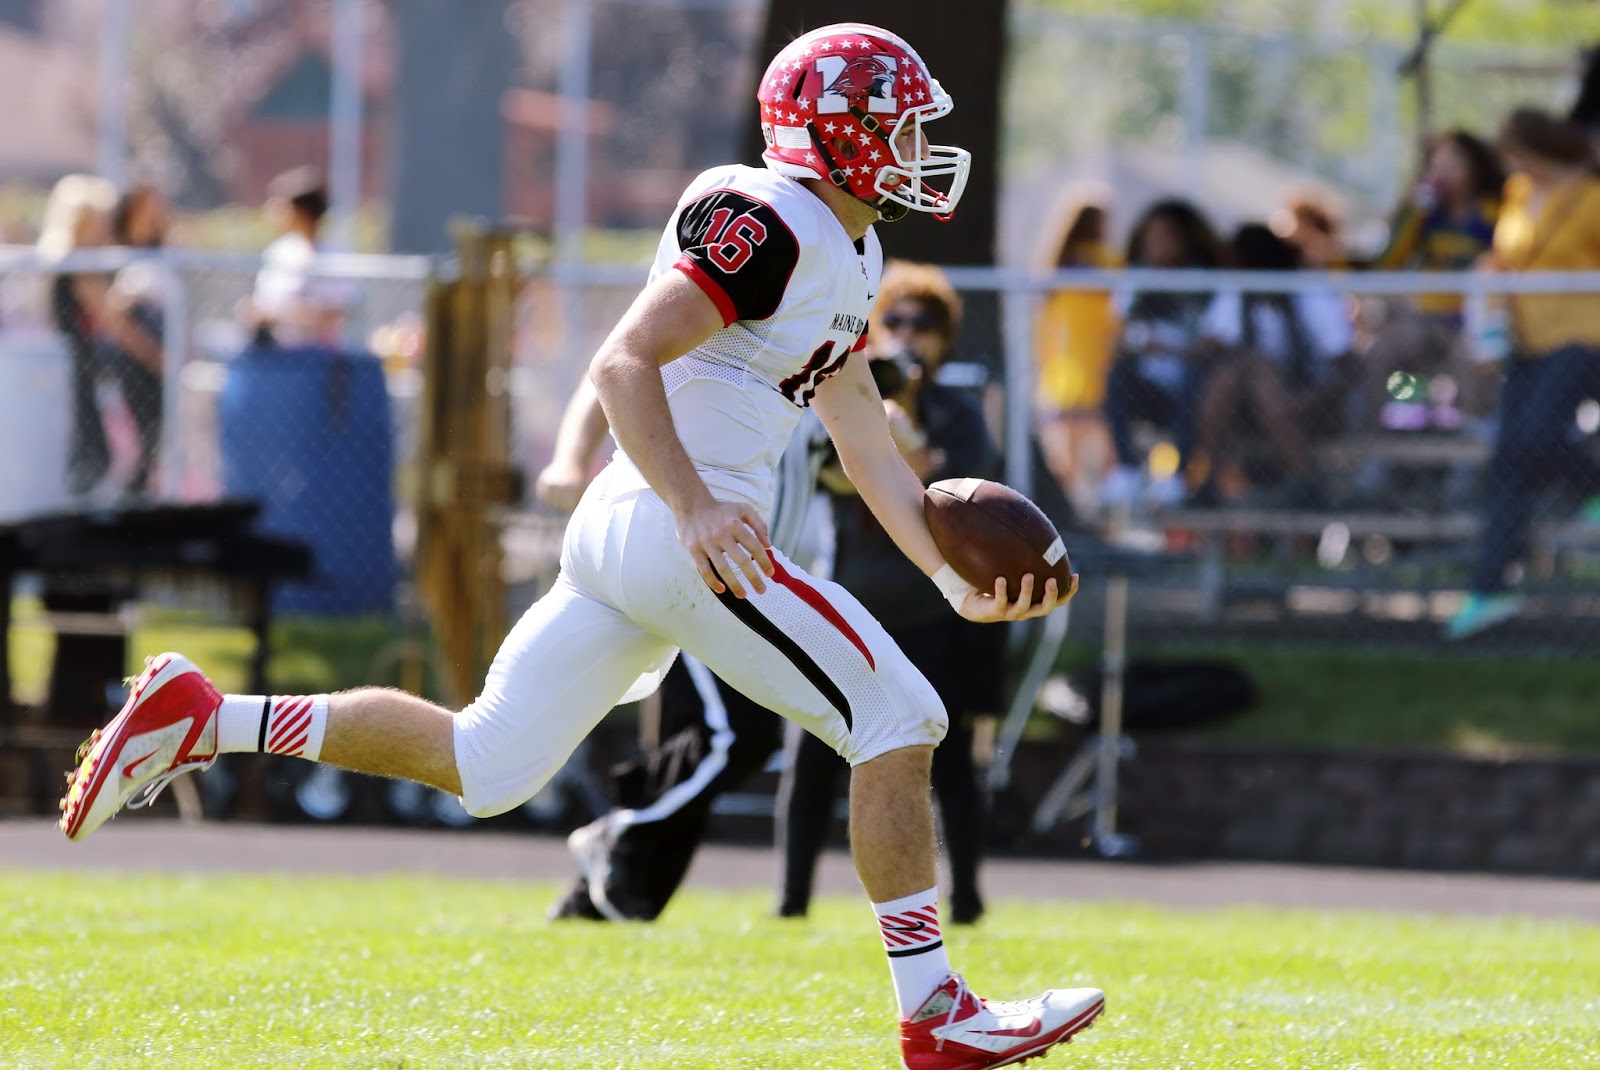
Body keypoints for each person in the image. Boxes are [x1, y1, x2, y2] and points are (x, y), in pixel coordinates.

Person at [58, 23, 1104, 1068]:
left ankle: (208, 714)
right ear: (836, 132)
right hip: (676, 522)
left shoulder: (850, 245)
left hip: (634, 527)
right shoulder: (772, 219)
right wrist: (695, 505)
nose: (917, 149)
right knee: (902, 712)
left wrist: (946, 575)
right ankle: (935, 1009)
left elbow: (860, 427)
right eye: (898, 127)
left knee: (485, 760)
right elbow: (621, 360)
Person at [536, 376, 831, 923]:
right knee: (737, 737)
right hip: (696, 568)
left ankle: (603, 903)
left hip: (757, 582)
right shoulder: (730, 326)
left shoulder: (822, 359)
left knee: (691, 744)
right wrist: (570, 457)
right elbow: (614, 366)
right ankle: (616, 834)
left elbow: (837, 468)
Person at [777, 261, 1003, 927]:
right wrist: (876, 437)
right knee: (815, 753)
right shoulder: (846, 402)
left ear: (946, 339)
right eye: (895, 321)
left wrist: (907, 444)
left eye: (922, 325)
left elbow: (959, 495)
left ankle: (967, 901)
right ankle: (790, 903)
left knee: (951, 758)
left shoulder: (961, 417)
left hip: (935, 611)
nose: (907, 336)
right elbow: (834, 477)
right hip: (853, 603)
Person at [1446, 108, 1600, 641]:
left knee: (1536, 434)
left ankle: (1594, 487)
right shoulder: (1516, 193)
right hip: (1526, 339)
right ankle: (1489, 589)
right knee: (1508, 456)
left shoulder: (1591, 197)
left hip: (1583, 336)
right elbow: (1505, 256)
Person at [1192, 223, 1357, 507]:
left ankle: (1306, 478)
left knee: (1254, 369)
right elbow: (1209, 345)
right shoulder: (1238, 293)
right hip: (1252, 408)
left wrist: (1308, 400)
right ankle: (1208, 474)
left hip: (1313, 402)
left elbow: (1348, 366)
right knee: (1241, 369)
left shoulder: (1309, 292)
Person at [1362, 129, 1506, 432]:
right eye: (1437, 165)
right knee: (1382, 355)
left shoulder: (1494, 213)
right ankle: (1382, 438)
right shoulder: (1424, 214)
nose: (1443, 173)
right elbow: (1388, 262)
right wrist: (1415, 209)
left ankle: (1469, 446)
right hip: (1424, 317)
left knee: (1473, 361)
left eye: (1453, 164)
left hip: (1471, 320)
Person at [1099, 197, 1229, 509]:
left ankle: (1179, 477)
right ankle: (1127, 471)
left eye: (1166, 236)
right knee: (1117, 374)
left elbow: (1212, 347)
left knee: (1197, 376)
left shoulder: (1210, 283)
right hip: (1150, 392)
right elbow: (1120, 337)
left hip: (1195, 393)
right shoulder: (1137, 281)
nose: (1157, 244)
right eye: (1151, 236)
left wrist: (1166, 348)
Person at [1034, 190, 1121, 518]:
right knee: (1086, 440)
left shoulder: (1059, 264)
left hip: (1071, 360)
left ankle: (1082, 509)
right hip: (1080, 360)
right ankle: (1083, 510)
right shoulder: (1098, 260)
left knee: (1074, 444)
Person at [37, 174, 118, 497]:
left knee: (86, 447)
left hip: (75, 366)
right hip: (74, 366)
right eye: (98, 219)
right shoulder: (77, 263)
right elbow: (109, 316)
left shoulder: (67, 259)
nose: (104, 227)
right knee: (92, 452)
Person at [99, 185, 171, 496]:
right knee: (136, 440)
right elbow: (115, 313)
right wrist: (151, 353)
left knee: (156, 439)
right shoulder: (117, 257)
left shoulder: (163, 253)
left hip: (159, 360)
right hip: (134, 363)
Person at [243, 166, 347, 347]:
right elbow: (263, 302)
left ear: (300, 211)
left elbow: (340, 310)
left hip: (319, 354)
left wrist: (287, 315)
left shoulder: (335, 255)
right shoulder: (280, 251)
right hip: (275, 350)